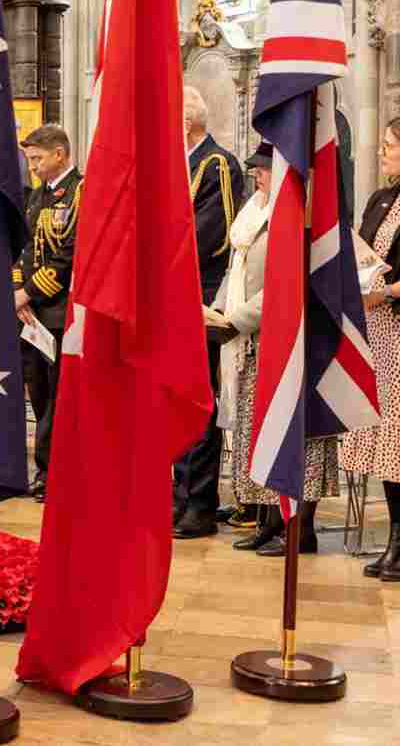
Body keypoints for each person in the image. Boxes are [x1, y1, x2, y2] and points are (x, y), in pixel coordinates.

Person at [216, 145, 339, 556]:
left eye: (264, 171)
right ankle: (268, 520)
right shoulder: (253, 213)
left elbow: (287, 282)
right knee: (258, 432)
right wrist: (216, 313)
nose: (257, 176)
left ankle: (299, 529)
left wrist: (238, 320)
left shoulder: (296, 216)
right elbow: (239, 268)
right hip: (253, 341)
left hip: (288, 342)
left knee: (295, 437)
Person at [174, 85, 248, 539]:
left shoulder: (215, 164)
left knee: (198, 403)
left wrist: (162, 262)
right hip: (174, 296)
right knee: (176, 400)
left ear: (187, 121)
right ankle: (177, 496)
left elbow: (212, 232)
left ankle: (199, 503)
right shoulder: (177, 165)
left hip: (201, 295)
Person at [343, 119, 400, 581]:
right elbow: (362, 248)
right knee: (385, 441)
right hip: (375, 327)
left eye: (389, 146)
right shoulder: (381, 198)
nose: (382, 154)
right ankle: (394, 541)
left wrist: (388, 292)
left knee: (399, 441)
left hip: (397, 322)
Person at [14, 125, 81, 502]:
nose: (34, 166)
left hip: (57, 311)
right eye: (30, 159)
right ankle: (44, 468)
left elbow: (68, 254)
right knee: (37, 393)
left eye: (38, 159)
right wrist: (17, 291)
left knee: (56, 396)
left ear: (60, 154)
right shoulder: (36, 196)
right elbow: (23, 249)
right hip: (30, 313)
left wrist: (28, 293)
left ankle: (53, 471)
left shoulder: (79, 192)